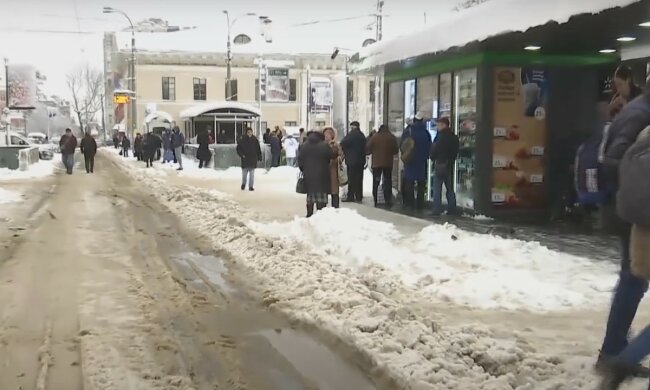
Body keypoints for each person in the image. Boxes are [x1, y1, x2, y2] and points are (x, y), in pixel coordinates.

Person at [596, 81, 650, 381]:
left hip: (633, 209)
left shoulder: (639, 110)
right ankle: (615, 354)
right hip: (635, 213)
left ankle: (617, 352)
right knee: (633, 280)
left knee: (634, 280)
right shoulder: (640, 114)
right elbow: (613, 160)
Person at [299, 130, 334, 217]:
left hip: (309, 175)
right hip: (322, 175)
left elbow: (300, 160)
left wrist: (304, 170)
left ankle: (309, 214)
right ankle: (320, 215)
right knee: (321, 196)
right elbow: (332, 155)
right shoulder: (324, 145)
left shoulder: (304, 146)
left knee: (310, 196)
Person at [430, 117, 460, 216]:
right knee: (450, 188)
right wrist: (451, 161)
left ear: (444, 125)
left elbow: (434, 150)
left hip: (440, 164)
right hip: (449, 165)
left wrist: (432, 157)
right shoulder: (453, 137)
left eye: (439, 125)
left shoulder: (440, 137)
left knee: (437, 188)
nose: (437, 127)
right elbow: (455, 151)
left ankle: (437, 209)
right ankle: (452, 208)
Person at [402, 112, 432, 209]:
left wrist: (405, 155)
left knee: (409, 181)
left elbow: (402, 145)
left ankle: (410, 203)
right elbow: (429, 147)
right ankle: (420, 203)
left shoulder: (408, 131)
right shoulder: (426, 133)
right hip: (422, 161)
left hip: (410, 159)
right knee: (421, 182)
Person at [367, 124, 398, 207]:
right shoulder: (391, 137)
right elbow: (396, 150)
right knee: (387, 181)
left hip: (376, 164)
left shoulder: (375, 137)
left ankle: (375, 199)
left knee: (376, 182)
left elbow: (368, 148)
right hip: (388, 164)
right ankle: (388, 200)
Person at [341, 121, 367, 203]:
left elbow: (343, 143)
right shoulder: (362, 136)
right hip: (360, 161)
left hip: (351, 161)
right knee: (359, 178)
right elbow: (366, 146)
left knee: (351, 179)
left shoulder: (350, 136)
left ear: (352, 127)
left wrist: (346, 153)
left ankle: (351, 196)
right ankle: (359, 196)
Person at [323, 127, 342, 208]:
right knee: (324, 189)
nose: (327, 136)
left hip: (333, 170)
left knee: (334, 190)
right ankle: (323, 207)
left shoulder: (336, 145)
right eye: (325, 134)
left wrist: (337, 160)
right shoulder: (322, 145)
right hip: (323, 170)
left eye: (329, 134)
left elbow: (341, 155)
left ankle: (335, 207)